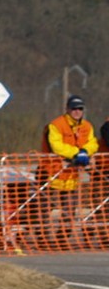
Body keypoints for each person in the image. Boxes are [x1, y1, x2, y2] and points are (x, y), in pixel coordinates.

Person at [38, 95, 99, 247]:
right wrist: (76, 153)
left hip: (71, 174)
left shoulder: (87, 126)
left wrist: (85, 151)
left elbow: (93, 142)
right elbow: (56, 146)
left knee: (70, 209)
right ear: (67, 109)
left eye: (80, 109)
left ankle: (62, 239)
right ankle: (42, 238)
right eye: (74, 108)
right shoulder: (56, 125)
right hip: (51, 172)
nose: (77, 111)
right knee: (44, 208)